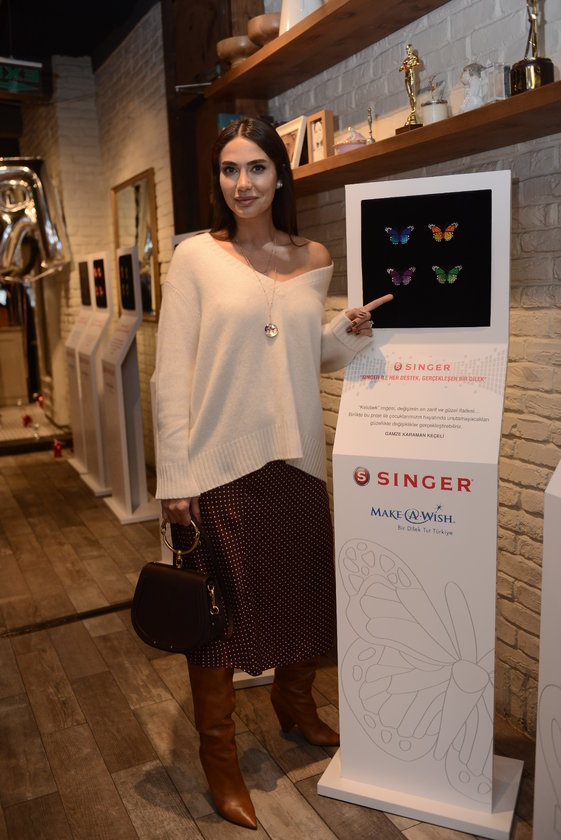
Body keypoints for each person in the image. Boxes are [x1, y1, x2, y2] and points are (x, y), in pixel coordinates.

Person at [154, 116, 392, 830]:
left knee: (303, 595)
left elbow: (297, 354)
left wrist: (342, 337)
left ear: (280, 176)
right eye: (229, 170)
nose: (243, 183)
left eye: (256, 167)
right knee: (217, 623)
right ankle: (220, 759)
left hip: (296, 460)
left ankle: (296, 706)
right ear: (218, 180)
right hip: (217, 466)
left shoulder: (312, 256)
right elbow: (172, 374)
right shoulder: (195, 257)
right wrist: (175, 478)